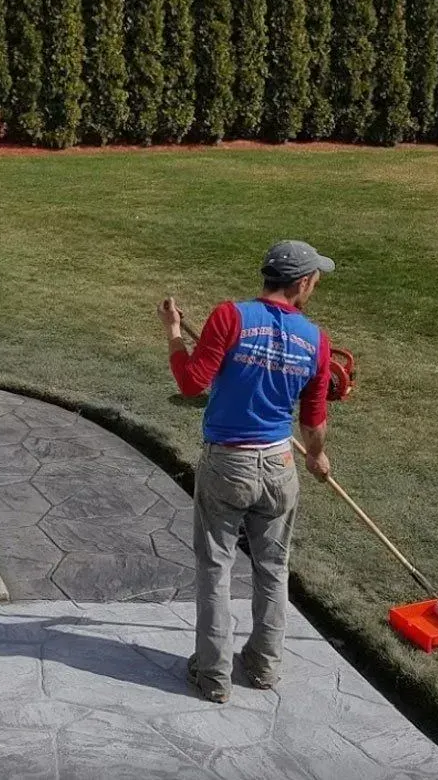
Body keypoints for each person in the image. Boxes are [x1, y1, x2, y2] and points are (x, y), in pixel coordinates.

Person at [159, 240, 335, 704]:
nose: (315, 285)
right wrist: (317, 456)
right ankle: (262, 667)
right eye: (316, 278)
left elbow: (191, 382)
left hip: (227, 464)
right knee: (274, 567)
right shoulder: (317, 341)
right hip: (280, 465)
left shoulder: (230, 317)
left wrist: (175, 333)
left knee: (216, 567)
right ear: (301, 283)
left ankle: (213, 677)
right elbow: (313, 420)